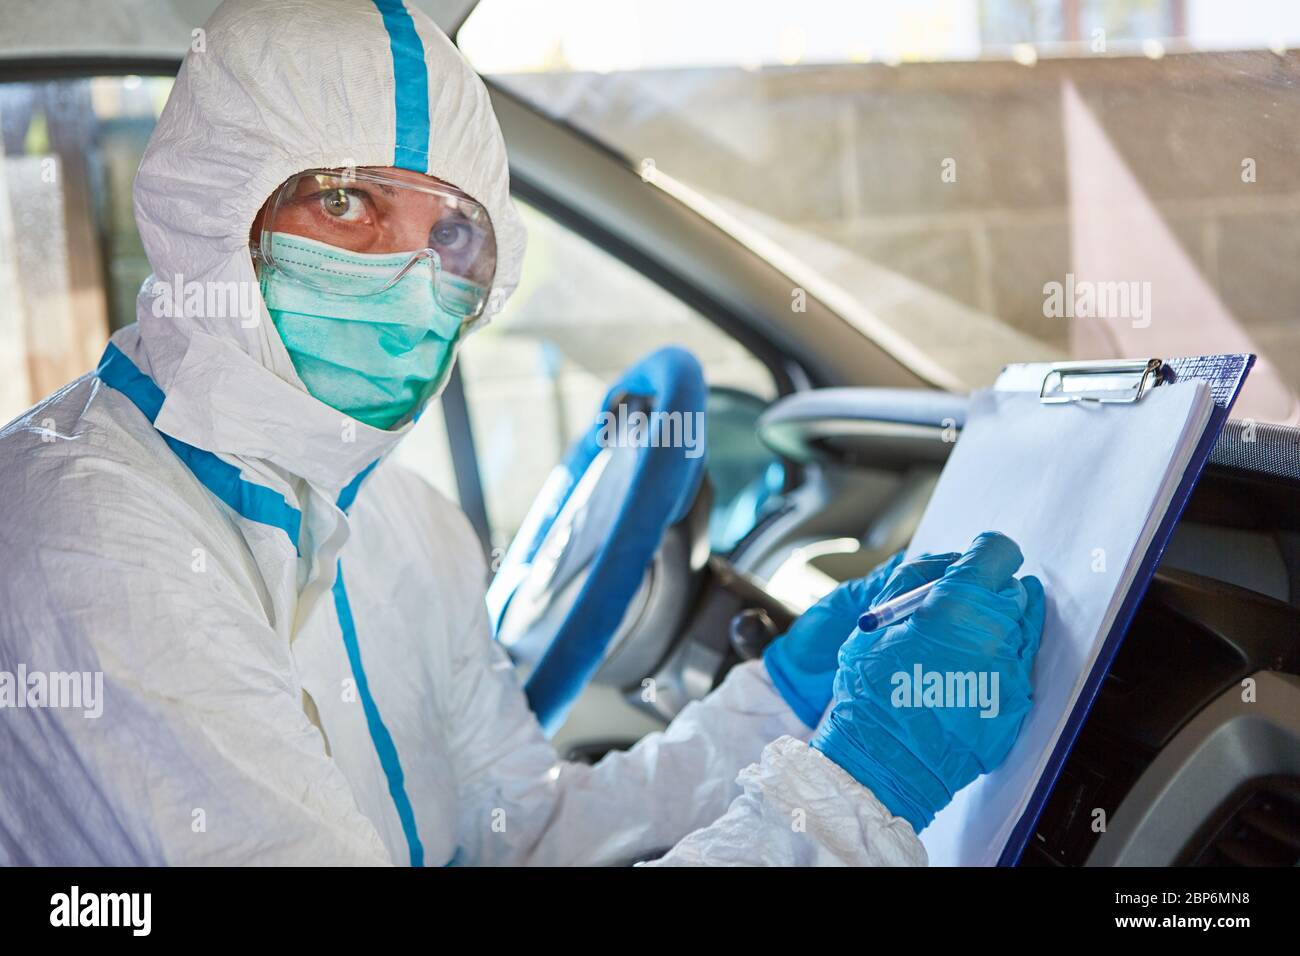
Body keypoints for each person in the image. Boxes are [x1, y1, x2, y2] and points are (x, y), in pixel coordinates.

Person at [0, 0, 1043, 866]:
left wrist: (776, 704)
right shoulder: (88, 537)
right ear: (210, 207)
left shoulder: (403, 520)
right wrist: (858, 788)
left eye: (450, 230)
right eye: (344, 199)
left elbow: (521, 831)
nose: (412, 278)